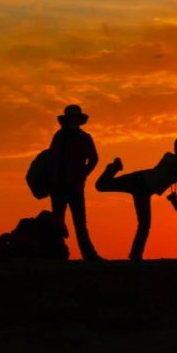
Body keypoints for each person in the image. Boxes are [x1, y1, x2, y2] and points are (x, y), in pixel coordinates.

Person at [95, 136, 177, 260]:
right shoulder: (169, 156)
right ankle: (114, 167)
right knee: (101, 186)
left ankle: (135, 254)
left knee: (144, 223)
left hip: (144, 190)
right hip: (139, 180)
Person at [46, 105, 101, 260]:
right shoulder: (59, 137)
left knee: (79, 222)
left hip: (74, 186)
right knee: (59, 221)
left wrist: (83, 174)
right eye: (71, 119)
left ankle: (87, 255)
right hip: (59, 186)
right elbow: (52, 159)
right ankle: (58, 254)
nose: (72, 121)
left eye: (74, 119)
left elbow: (94, 159)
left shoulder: (83, 138)